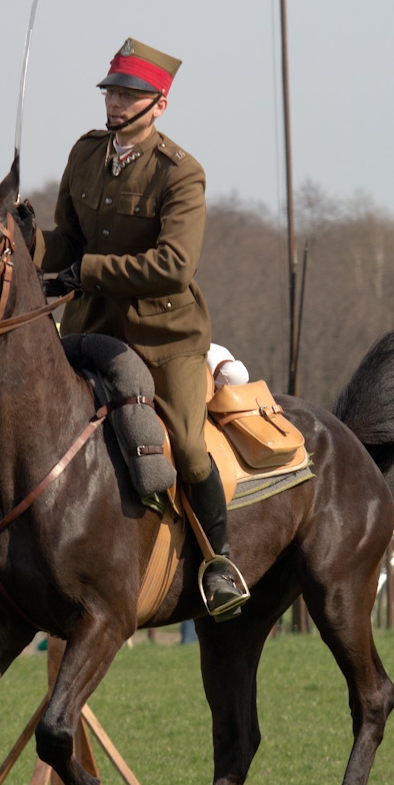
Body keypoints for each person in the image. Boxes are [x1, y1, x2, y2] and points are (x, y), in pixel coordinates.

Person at [30, 36, 245, 619]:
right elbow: (67, 243)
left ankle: (218, 562)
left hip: (164, 337)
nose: (117, 103)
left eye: (131, 94)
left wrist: (86, 271)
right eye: (112, 91)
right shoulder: (84, 154)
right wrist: (27, 238)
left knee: (190, 446)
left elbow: (174, 265)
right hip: (91, 324)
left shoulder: (181, 173)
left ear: (160, 105)